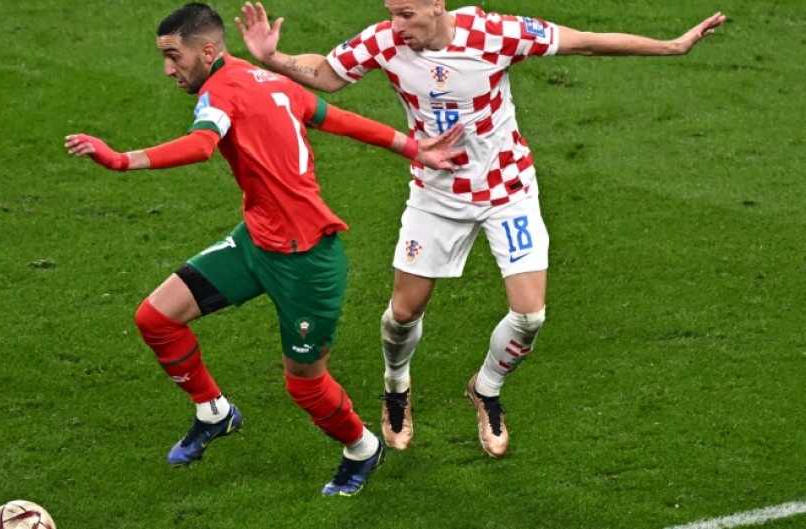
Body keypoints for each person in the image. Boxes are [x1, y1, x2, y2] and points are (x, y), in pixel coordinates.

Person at [236, 1, 725, 457]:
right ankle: (395, 383)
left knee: (530, 317)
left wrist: (672, 45)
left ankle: (485, 388)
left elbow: (585, 40)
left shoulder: (495, 33)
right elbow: (325, 74)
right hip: (436, 195)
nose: (397, 26)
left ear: (437, 5)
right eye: (391, 14)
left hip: (507, 190)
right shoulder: (385, 41)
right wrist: (273, 57)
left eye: (406, 14)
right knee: (404, 313)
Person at [64, 3, 464, 496]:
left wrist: (122, 160)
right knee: (156, 318)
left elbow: (201, 144)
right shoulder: (264, 79)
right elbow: (334, 117)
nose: (169, 68)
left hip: (306, 262)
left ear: (207, 51)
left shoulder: (220, 91)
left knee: (304, 384)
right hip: (258, 239)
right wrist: (411, 146)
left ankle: (362, 447)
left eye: (174, 55)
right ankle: (214, 412)